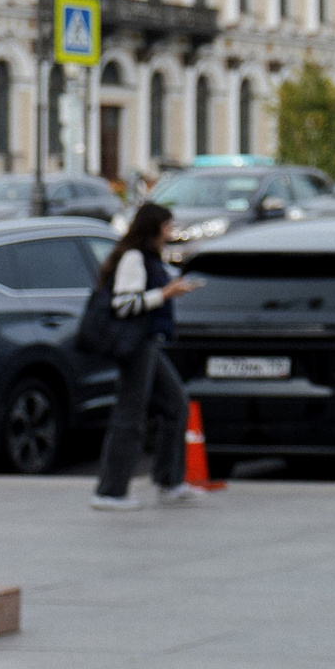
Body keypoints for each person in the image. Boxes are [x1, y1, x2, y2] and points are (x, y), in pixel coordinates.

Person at [89, 203, 205, 511]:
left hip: (148, 343)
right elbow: (124, 304)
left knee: (176, 404)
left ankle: (169, 480)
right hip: (136, 345)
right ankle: (110, 491)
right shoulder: (133, 257)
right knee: (130, 415)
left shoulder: (147, 257)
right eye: (166, 227)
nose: (170, 233)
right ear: (152, 228)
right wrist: (165, 295)